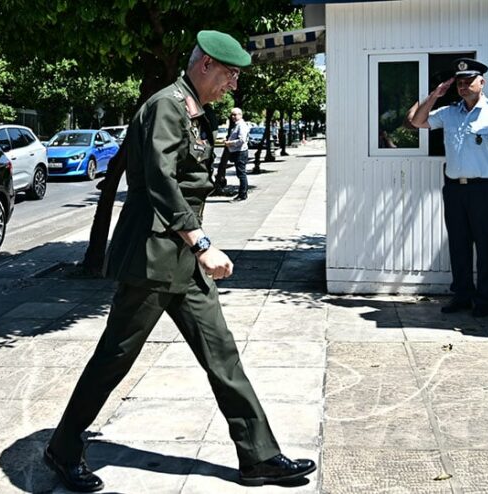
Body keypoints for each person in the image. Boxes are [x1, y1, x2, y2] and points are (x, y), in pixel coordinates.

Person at [43, 30, 316, 492]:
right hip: (152, 258)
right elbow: (158, 180)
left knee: (222, 354)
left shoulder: (195, 110)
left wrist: (195, 247)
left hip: (183, 261)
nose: (233, 84)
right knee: (115, 356)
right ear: (206, 63)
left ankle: (259, 457)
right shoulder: (166, 106)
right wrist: (202, 243)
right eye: (229, 73)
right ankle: (63, 448)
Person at [406, 58, 488, 317]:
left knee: (487, 246)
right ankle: (462, 295)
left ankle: (483, 301)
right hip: (455, 190)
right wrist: (436, 94)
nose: (464, 86)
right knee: (459, 245)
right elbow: (416, 121)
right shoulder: (449, 113)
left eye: (469, 81)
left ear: (482, 82)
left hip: (486, 190)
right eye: (459, 82)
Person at [216, 107, 249, 200]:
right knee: (240, 173)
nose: (233, 117)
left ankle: (243, 194)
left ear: (240, 115)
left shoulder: (241, 125)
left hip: (240, 152)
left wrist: (229, 143)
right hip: (236, 151)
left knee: (241, 174)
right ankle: (242, 193)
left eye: (235, 114)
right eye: (232, 115)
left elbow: (241, 140)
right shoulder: (236, 125)